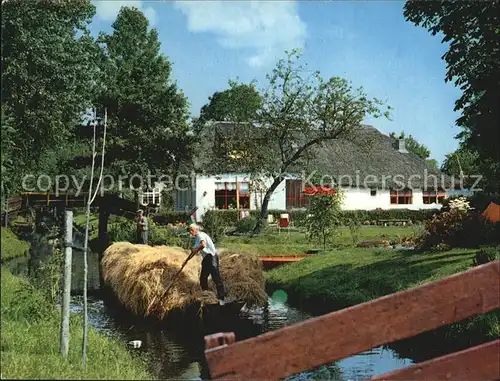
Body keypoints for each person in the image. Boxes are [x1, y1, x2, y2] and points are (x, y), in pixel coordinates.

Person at [187, 223, 226, 305]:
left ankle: (221, 298)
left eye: (191, 230)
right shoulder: (197, 238)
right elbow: (195, 251)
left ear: (195, 230)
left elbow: (203, 245)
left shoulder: (200, 235)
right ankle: (206, 295)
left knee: (216, 277)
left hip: (211, 257)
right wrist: (187, 259)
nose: (190, 232)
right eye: (190, 230)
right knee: (203, 278)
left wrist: (196, 249)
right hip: (206, 259)